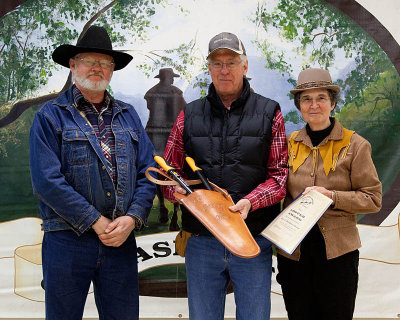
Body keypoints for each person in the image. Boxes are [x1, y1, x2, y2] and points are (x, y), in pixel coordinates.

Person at [29, 25, 156, 320]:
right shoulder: (49, 116)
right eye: (89, 60)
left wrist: (131, 218)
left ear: (112, 71)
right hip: (67, 240)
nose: (97, 68)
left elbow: (148, 171)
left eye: (105, 63)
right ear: (73, 65)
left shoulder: (129, 115)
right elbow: (47, 182)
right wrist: (95, 222)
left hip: (120, 240)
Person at [162, 32, 288, 320]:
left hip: (252, 238)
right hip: (202, 240)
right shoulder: (189, 115)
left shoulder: (270, 112)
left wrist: (251, 202)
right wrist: (182, 196)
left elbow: (280, 176)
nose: (224, 70)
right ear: (209, 69)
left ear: (244, 67)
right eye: (217, 63)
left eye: (231, 62)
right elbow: (169, 173)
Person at [276, 68, 382, 320]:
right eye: (306, 99)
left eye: (321, 98)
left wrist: (332, 196)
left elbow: (373, 199)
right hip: (295, 255)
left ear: (333, 103)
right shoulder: (286, 144)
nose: (314, 105)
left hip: (338, 255)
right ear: (299, 105)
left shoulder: (356, 145)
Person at [145, 68, 186, 227]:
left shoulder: (151, 93)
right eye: (171, 77)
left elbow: (150, 107)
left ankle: (164, 208)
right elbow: (184, 110)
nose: (173, 80)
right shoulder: (177, 93)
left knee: (159, 170)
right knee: (174, 171)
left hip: (155, 135)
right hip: (171, 136)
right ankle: (173, 212)